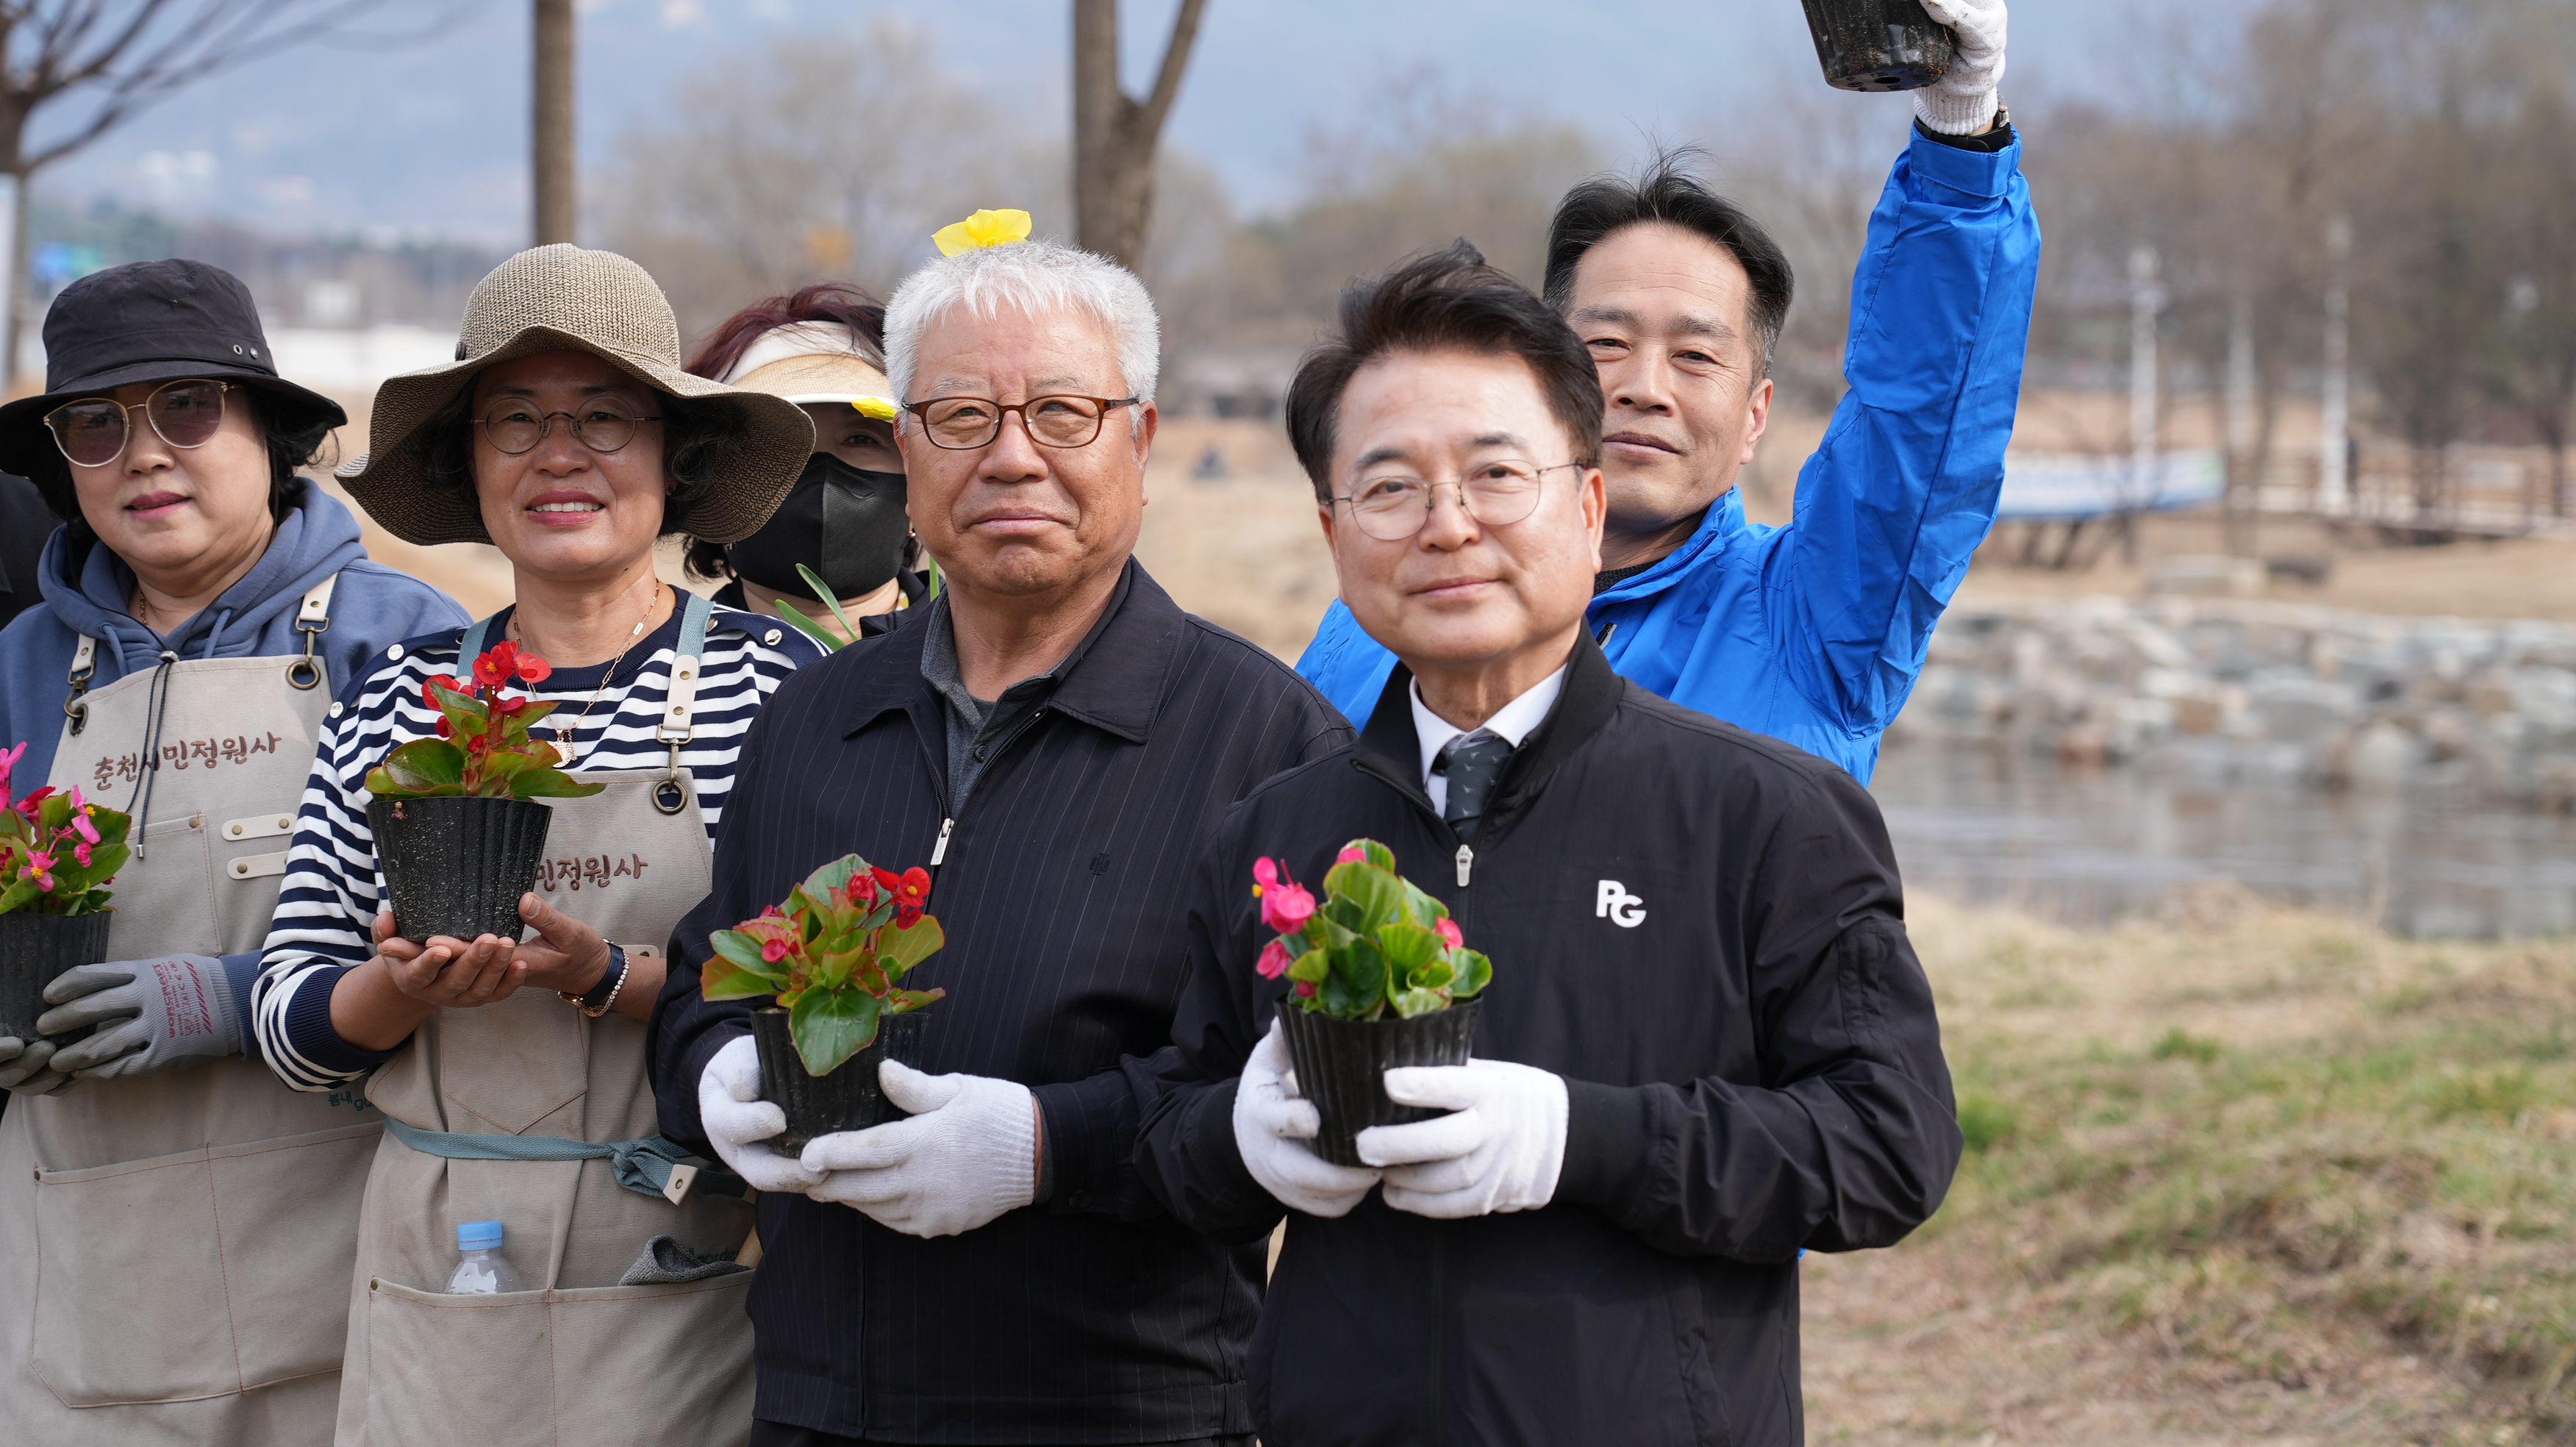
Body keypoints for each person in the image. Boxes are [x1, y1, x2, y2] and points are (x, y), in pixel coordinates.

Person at [1137, 247, 1960, 1444]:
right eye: (1388, 486)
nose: (1447, 524)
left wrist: (1582, 1137)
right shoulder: (1273, 832)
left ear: (1583, 506)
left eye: (1493, 473)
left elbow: (1885, 1146)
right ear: (1332, 530)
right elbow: (1171, 1127)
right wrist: (1231, 1136)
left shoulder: (1762, 814)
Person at [653, 225, 1350, 1446]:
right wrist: (712, 1073)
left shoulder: (1265, 746)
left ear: (1138, 440)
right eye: (960, 417)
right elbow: (703, 974)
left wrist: (1044, 1144)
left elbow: (1291, 1099)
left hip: (1128, 1406)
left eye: (1063, 413)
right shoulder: (813, 718)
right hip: (820, 1403)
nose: (1012, 457)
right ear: (911, 455)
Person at [248, 243, 821, 1444]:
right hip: (440, 1263)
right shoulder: (392, 702)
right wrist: (394, 992)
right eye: (515, 419)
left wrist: (610, 977)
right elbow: (288, 1020)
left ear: (678, 451)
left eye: (606, 417)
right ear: (467, 458)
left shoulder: (781, 689)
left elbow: (825, 1014)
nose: (559, 453)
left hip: (692, 1258)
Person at [1294, 0, 2032, 783]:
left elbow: (1920, 424)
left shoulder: (1812, 619)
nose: (1645, 387)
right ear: (1540, 378)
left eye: (1695, 356)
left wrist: (1960, 127)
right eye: (1607, 344)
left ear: (1755, 419)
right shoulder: (1405, 592)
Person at [0, 259, 465, 1445]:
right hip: (78, 1302)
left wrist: (232, 993)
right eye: (94, 423)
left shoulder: (405, 644)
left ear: (272, 431)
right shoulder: (16, 666)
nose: (143, 453)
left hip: (340, 1274)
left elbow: (466, 936)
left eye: (188, 408)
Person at [682, 283, 929, 641]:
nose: (823, 479)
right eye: (781, 444)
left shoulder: (992, 653)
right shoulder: (656, 672)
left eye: (861, 439)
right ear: (711, 485)